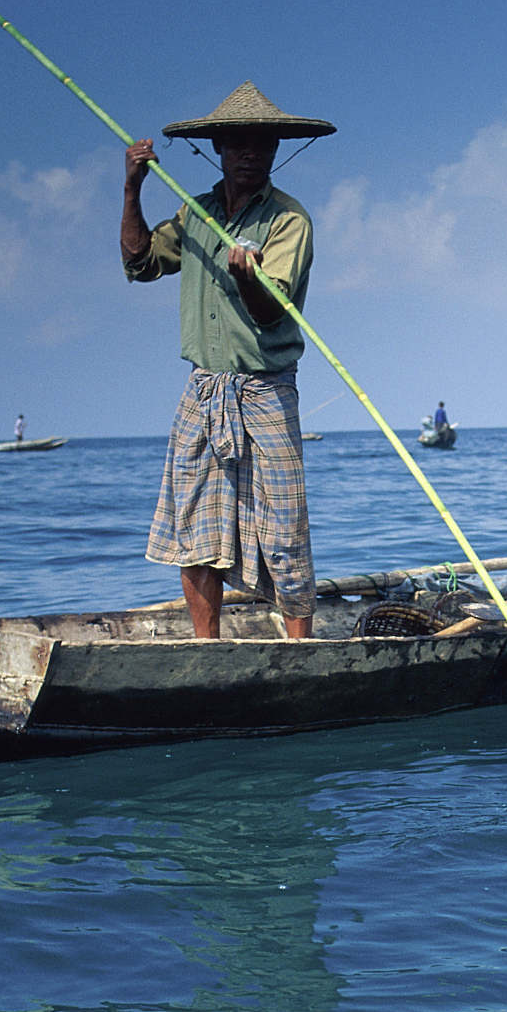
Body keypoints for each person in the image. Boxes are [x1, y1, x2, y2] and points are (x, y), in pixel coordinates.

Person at [120, 81, 334, 640]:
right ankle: (205, 647)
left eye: (260, 146)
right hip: (203, 390)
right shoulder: (197, 215)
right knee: (196, 527)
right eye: (237, 144)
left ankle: (300, 651)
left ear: (274, 152)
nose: (249, 155)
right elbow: (141, 262)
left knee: (284, 528)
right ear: (217, 147)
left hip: (265, 390)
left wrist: (248, 278)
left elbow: (270, 312)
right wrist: (132, 188)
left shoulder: (289, 221)